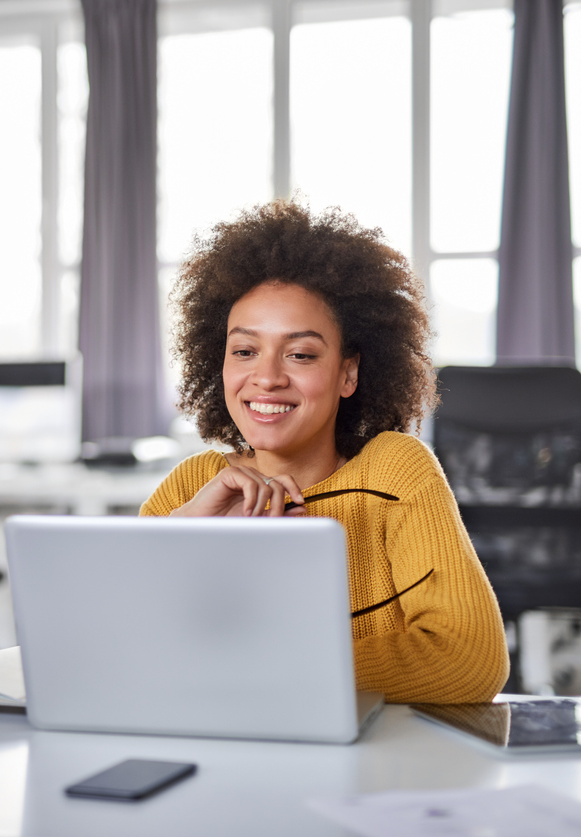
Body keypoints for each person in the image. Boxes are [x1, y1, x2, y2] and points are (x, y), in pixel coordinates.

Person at [141, 200, 508, 704]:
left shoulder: (396, 472)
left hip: (372, 769)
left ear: (348, 373)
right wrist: (181, 540)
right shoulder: (191, 487)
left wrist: (258, 671)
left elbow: (468, 658)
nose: (266, 377)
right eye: (244, 351)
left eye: (301, 354)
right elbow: (127, 655)